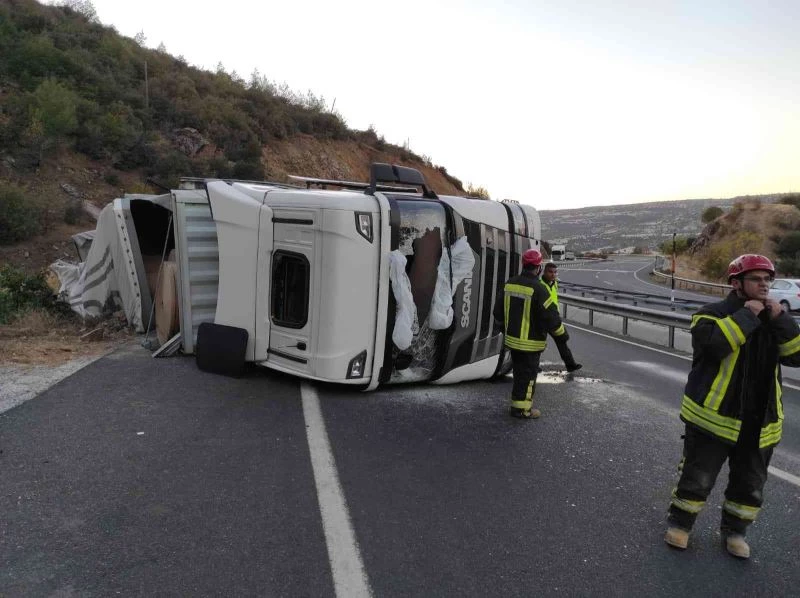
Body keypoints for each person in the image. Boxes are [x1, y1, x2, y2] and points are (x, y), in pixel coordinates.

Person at [664, 254, 800, 559]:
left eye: (768, 279)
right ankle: (681, 524)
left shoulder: (774, 319)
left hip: (760, 421)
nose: (764, 285)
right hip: (713, 419)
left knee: (750, 486)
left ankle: (735, 532)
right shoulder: (711, 314)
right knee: (697, 478)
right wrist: (747, 316)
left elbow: (797, 356)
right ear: (736, 283)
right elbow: (713, 347)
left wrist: (783, 320)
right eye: (756, 279)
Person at [493, 249, 569, 419]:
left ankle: (516, 405)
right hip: (531, 344)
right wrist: (562, 336)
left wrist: (505, 330)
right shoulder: (540, 289)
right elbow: (552, 318)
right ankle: (522, 410)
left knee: (519, 374)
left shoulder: (509, 283)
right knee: (528, 377)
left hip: (512, 341)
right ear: (539, 268)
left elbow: (497, 313)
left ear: (523, 264)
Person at [541, 262, 582, 372]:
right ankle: (534, 366)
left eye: (555, 272)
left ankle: (571, 365)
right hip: (542, 318)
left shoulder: (554, 283)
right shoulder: (540, 284)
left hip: (553, 318)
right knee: (539, 344)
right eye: (550, 272)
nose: (553, 275)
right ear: (544, 272)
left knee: (562, 341)